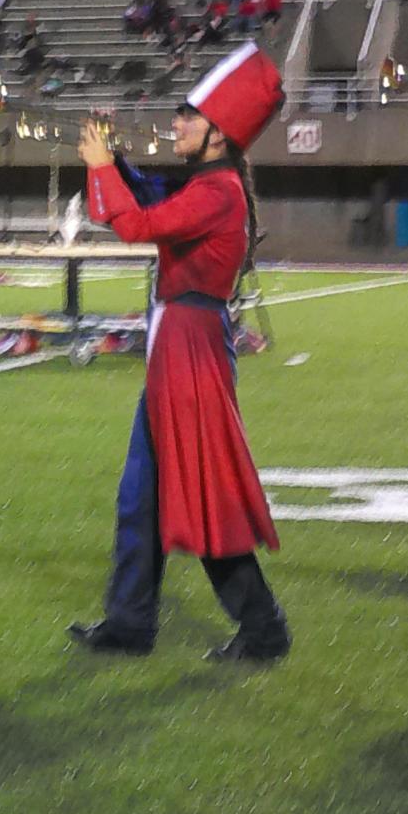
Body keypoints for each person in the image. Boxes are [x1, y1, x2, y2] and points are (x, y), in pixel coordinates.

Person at [69, 43, 291, 661]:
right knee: (141, 494)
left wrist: (100, 165)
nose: (176, 126)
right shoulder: (208, 183)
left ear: (218, 136)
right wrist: (110, 159)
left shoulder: (218, 190)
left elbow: (139, 225)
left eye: (189, 118)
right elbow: (149, 200)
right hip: (177, 346)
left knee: (205, 491)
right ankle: (130, 623)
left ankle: (263, 627)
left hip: (191, 352)